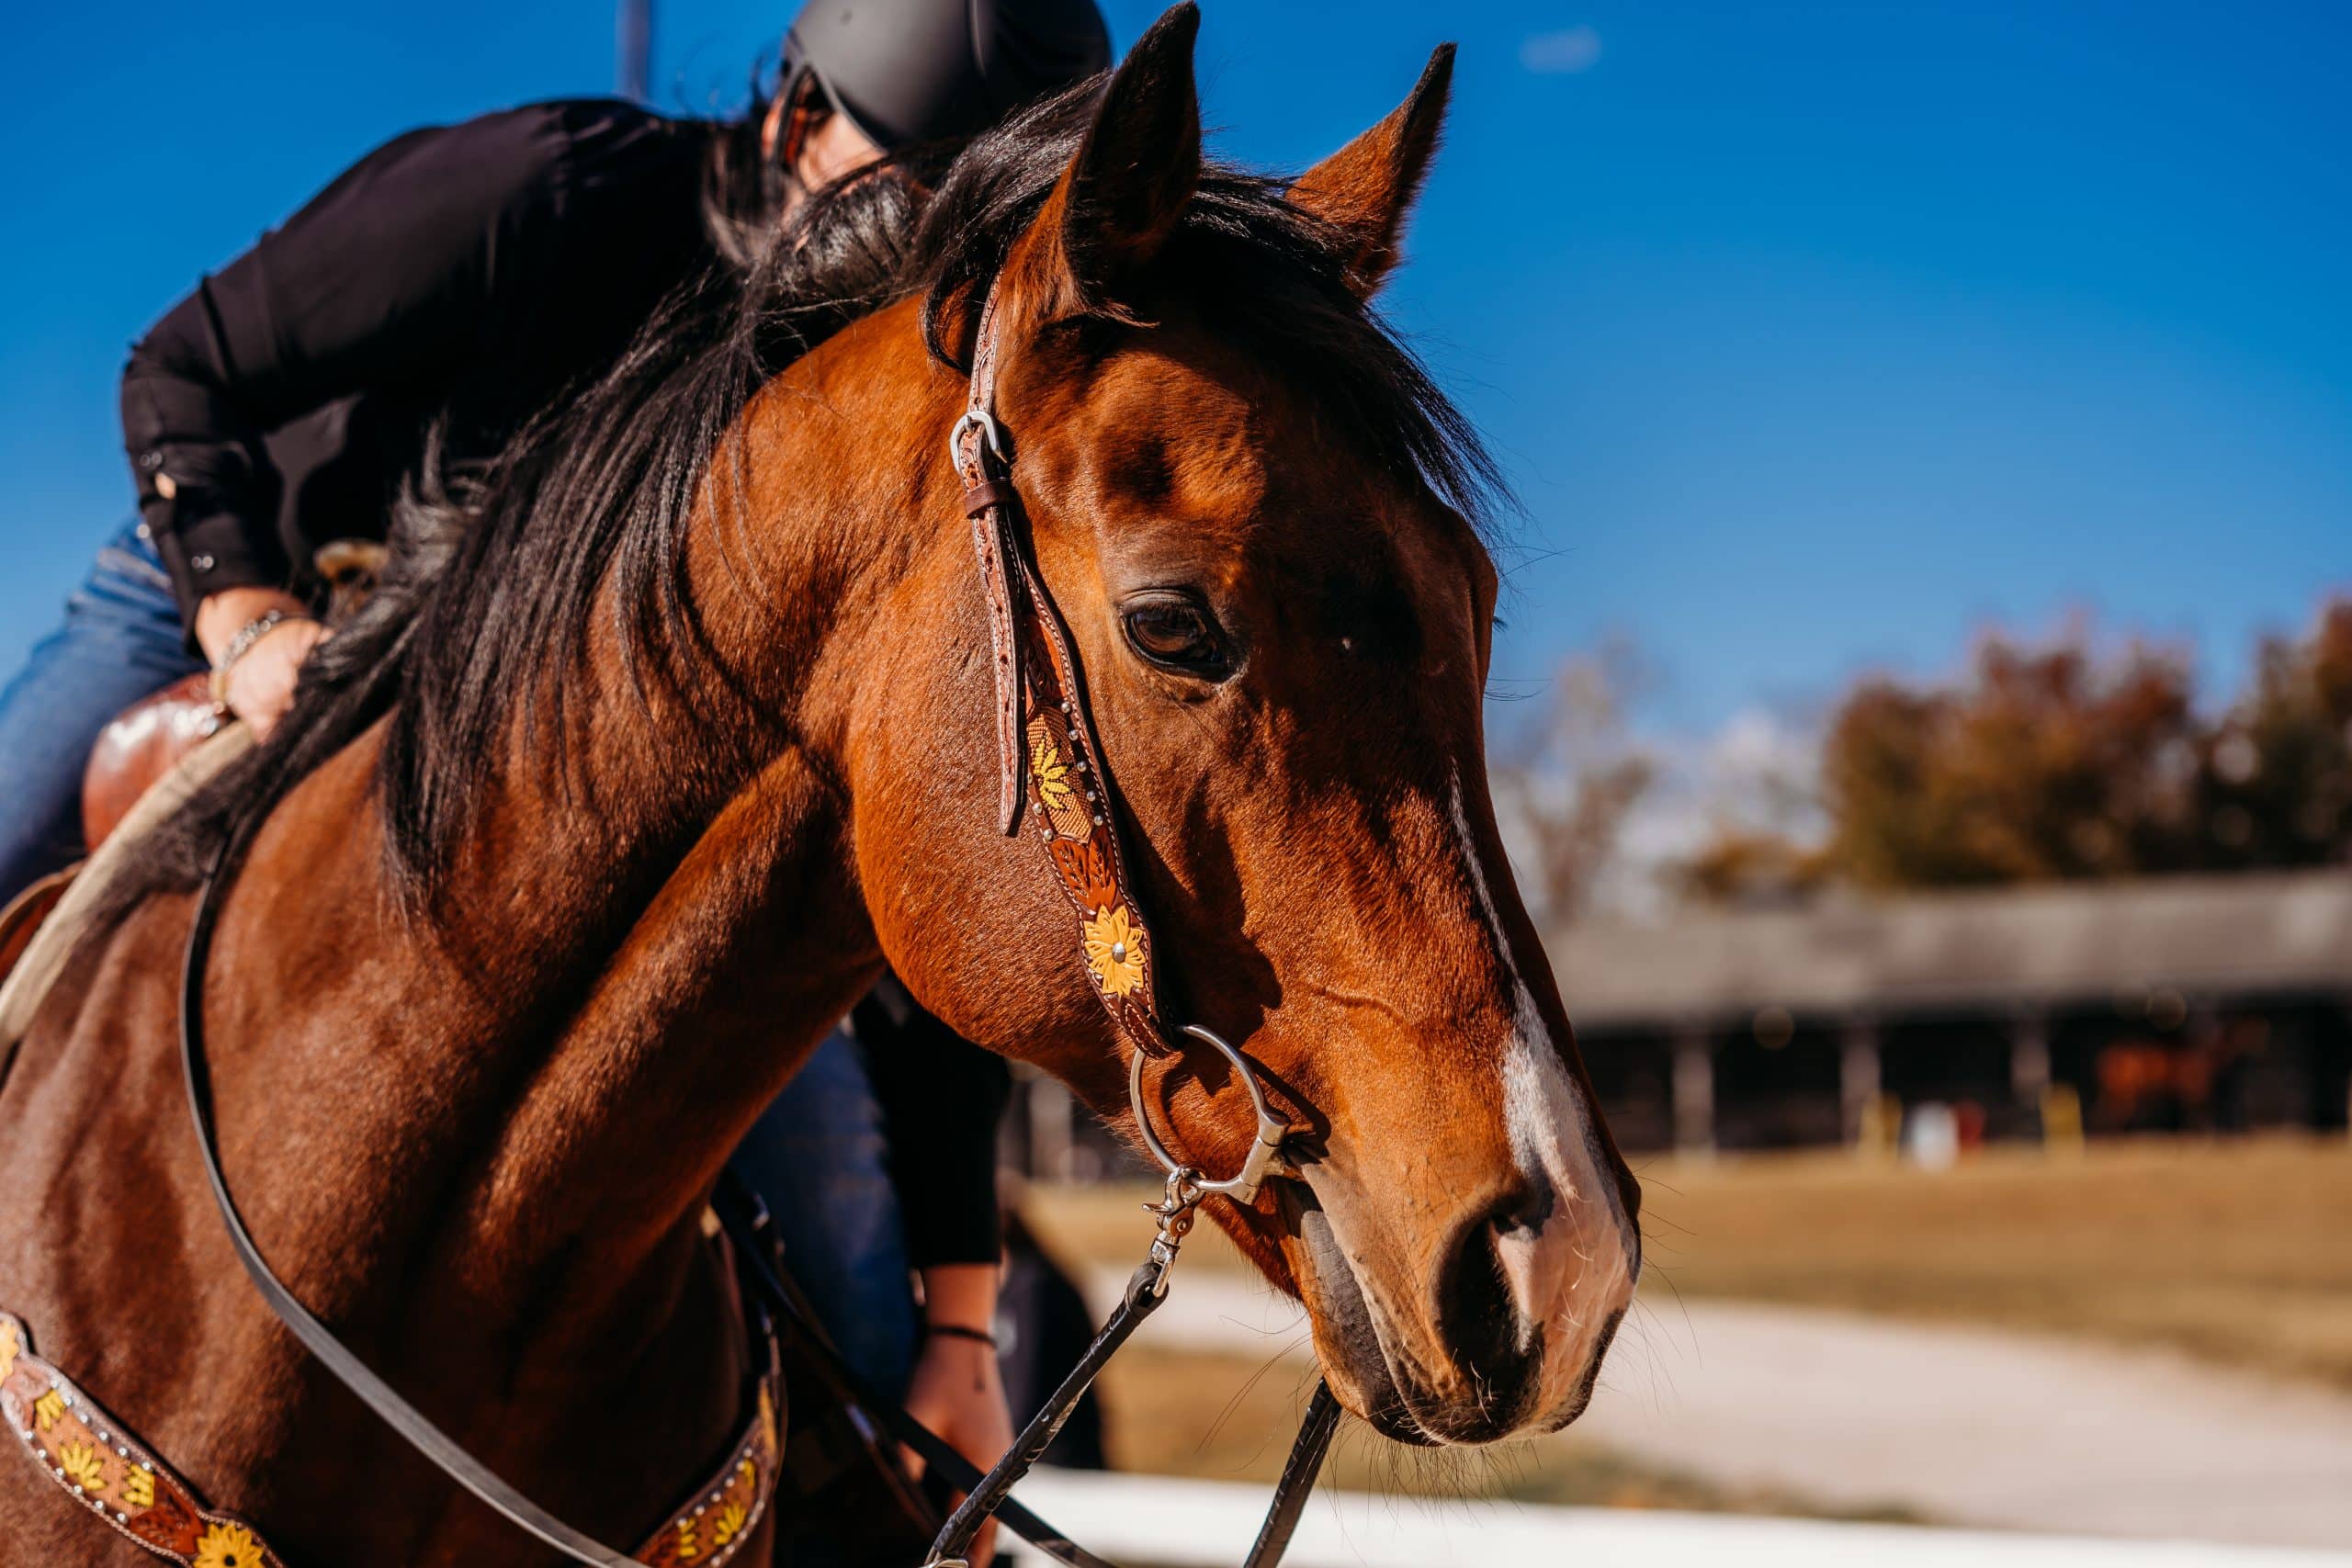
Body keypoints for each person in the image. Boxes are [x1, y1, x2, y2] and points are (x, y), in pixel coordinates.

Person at [0, 0, 1112, 1530]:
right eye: (924, 198)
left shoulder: (876, 437)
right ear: (797, 118)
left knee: (852, 1269)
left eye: (989, 233)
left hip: (551, 778)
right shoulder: (558, 186)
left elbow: (880, 869)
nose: (941, 266)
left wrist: (963, 1329)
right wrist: (246, 622)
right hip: (262, 579)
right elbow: (179, 371)